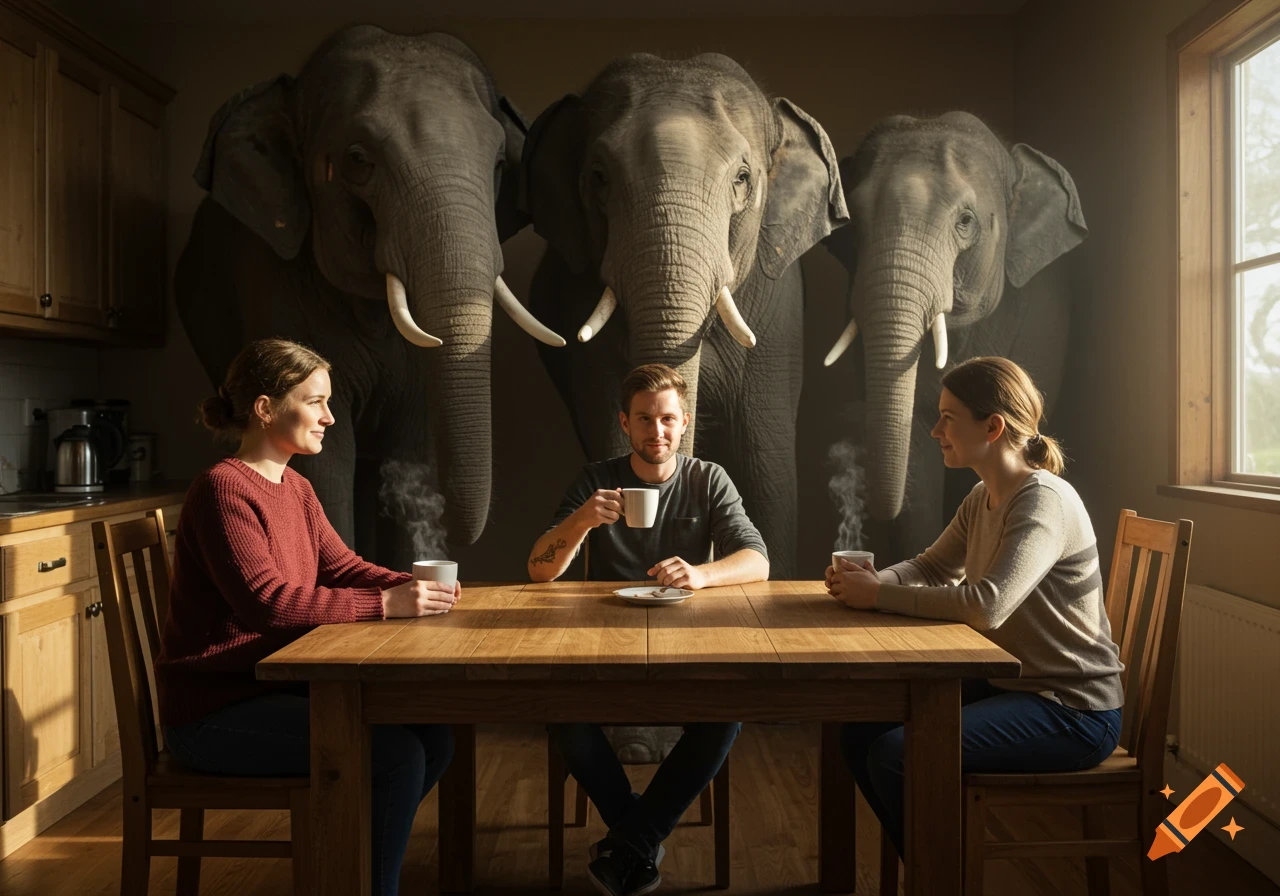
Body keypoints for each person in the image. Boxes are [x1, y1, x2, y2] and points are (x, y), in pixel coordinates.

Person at [155, 339, 456, 896]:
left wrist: (416, 587)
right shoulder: (223, 489)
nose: (330, 417)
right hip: (212, 712)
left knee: (434, 734)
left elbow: (341, 566)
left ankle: (348, 859)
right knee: (397, 756)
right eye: (315, 401)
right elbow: (267, 603)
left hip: (271, 689)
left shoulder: (295, 486)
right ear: (266, 408)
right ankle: (359, 874)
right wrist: (388, 606)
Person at [828, 356, 1124, 860]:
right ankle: (934, 868)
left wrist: (878, 596)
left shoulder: (1042, 501)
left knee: (896, 757)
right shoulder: (983, 496)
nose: (934, 430)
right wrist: (877, 580)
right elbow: (931, 566)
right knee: (856, 727)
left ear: (993, 426)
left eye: (947, 417)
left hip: (1072, 709)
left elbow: (988, 607)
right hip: (1013, 686)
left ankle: (939, 877)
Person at [527, 363, 769, 896]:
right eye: (643, 420)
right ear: (624, 423)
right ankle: (639, 837)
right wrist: (581, 522)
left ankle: (629, 841)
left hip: (689, 644)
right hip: (602, 646)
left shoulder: (708, 478)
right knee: (561, 713)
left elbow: (757, 560)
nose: (655, 432)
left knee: (724, 717)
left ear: (684, 423)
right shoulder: (596, 479)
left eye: (666, 420)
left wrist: (702, 574)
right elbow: (539, 569)